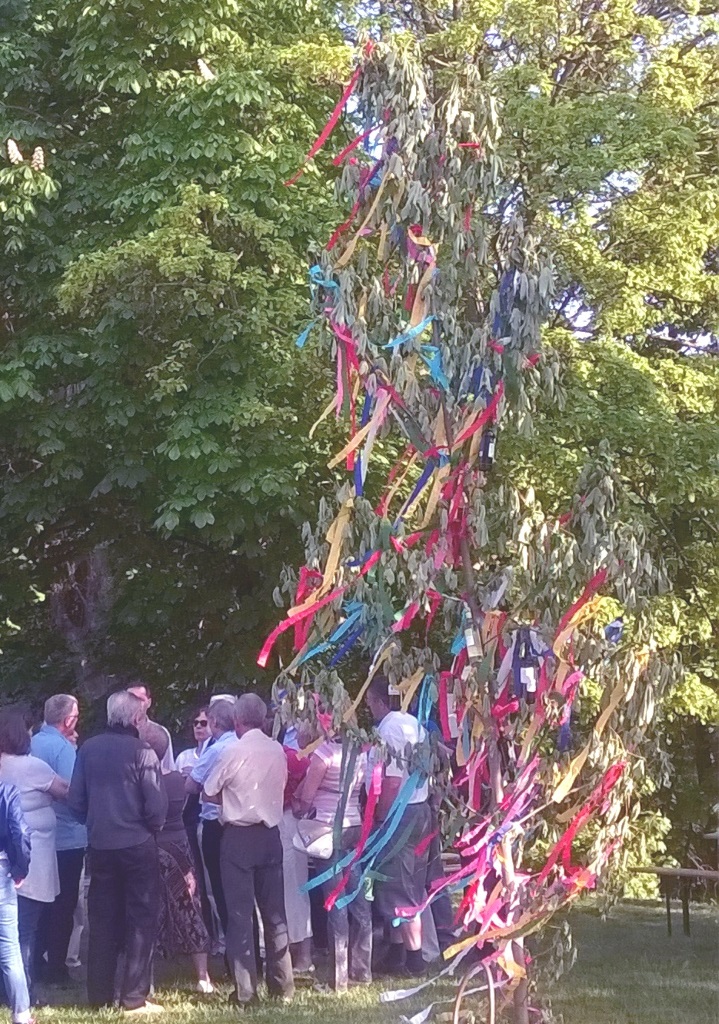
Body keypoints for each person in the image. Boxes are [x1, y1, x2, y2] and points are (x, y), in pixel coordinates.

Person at [68, 690, 167, 1014]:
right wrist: (148, 827)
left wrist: (96, 821)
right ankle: (134, 997)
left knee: (102, 919)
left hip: (100, 844)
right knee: (141, 919)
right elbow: (156, 806)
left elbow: (75, 801)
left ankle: (98, 996)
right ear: (137, 718)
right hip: (137, 844)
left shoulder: (88, 749)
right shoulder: (143, 751)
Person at [203, 694, 294, 1008]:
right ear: (265, 718)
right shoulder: (277, 750)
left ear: (237, 720)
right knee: (275, 913)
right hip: (270, 834)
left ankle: (245, 991)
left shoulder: (233, 750)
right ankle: (282, 985)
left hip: (238, 835)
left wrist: (231, 800)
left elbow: (208, 791)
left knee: (240, 915)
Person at [293, 734, 372, 992]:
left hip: (327, 828)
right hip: (354, 824)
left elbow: (306, 797)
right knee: (357, 897)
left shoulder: (324, 754)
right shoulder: (360, 752)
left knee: (335, 900)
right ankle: (362, 969)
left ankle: (338, 979)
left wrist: (299, 808)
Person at [365, 675, 431, 977]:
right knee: (401, 882)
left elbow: (391, 780)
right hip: (419, 807)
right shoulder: (413, 723)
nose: (368, 708)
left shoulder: (389, 729)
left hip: (398, 814)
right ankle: (396, 952)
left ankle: (414, 959)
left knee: (401, 886)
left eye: (369, 702)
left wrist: (380, 816)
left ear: (379, 701)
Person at [0, 708, 67, 1002]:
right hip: (30, 859)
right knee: (24, 931)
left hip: (7, 856)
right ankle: (22, 992)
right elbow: (67, 791)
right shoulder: (32, 767)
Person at [144, 726, 213, 994]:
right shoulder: (177, 780)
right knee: (189, 906)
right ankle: (203, 976)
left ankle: (147, 980)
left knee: (147, 908)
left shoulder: (142, 781)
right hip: (179, 845)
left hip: (151, 846)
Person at [30, 694, 87, 985]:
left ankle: (34, 961)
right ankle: (57, 968)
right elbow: (73, 792)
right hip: (67, 837)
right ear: (68, 720)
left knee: (39, 902)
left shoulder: (32, 742)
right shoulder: (63, 748)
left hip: (36, 838)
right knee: (64, 905)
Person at [185, 700, 237, 936]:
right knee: (240, 886)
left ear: (214, 722)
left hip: (215, 824)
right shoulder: (243, 745)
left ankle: (228, 941)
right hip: (241, 824)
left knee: (218, 885)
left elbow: (191, 785)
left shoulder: (215, 750)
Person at [174, 708, 213, 940]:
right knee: (193, 877)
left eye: (204, 723)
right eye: (195, 722)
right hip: (187, 821)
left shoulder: (217, 752)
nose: (198, 726)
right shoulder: (184, 757)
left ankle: (217, 935)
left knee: (210, 880)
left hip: (208, 819)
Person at [279, 725, 313, 974]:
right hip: (285, 822)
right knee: (293, 890)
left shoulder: (292, 758)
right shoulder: (290, 756)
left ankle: (302, 954)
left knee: (293, 889)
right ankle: (295, 953)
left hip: (288, 822)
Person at [0, 780, 33, 1024]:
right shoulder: (6, 790)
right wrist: (21, 867)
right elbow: (20, 831)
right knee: (10, 948)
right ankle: (21, 1014)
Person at [126, 684, 175, 773]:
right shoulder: (116, 732)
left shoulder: (161, 733)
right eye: (131, 700)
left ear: (149, 703)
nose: (134, 704)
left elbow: (168, 768)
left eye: (139, 699)